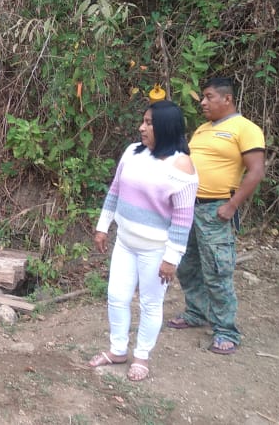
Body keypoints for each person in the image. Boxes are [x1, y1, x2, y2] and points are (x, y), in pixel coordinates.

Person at [90, 100, 198, 381]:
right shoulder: (132, 152)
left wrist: (171, 259)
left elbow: (183, 220)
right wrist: (103, 227)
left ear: (166, 127)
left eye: (149, 123)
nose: (142, 127)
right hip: (125, 243)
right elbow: (115, 191)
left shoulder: (181, 166)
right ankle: (117, 350)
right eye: (143, 121)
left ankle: (141, 356)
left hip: (156, 249)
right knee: (116, 296)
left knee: (150, 303)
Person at [168, 77, 265, 355]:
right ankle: (196, 312)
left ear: (227, 99)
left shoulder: (245, 129)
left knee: (217, 270)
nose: (203, 102)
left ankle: (226, 330)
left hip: (216, 210)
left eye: (209, 97)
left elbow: (256, 171)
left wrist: (232, 205)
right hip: (187, 207)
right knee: (187, 264)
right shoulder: (202, 130)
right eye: (203, 97)